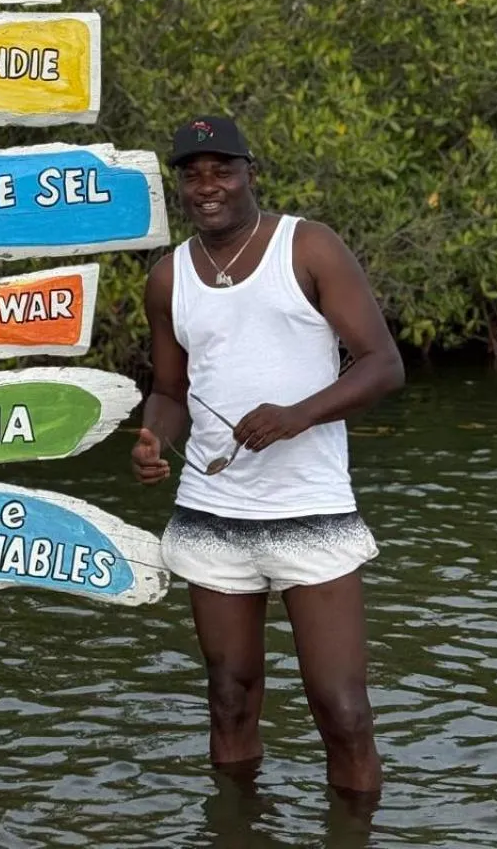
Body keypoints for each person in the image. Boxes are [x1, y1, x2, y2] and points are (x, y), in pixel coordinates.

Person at [131, 116, 404, 797]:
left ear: (252, 173)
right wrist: (151, 438)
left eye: (222, 169)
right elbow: (169, 391)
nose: (207, 186)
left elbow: (383, 364)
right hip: (212, 512)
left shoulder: (308, 247)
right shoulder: (168, 279)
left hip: (311, 509)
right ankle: (237, 829)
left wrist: (297, 416)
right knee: (228, 696)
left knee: (342, 710)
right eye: (192, 174)